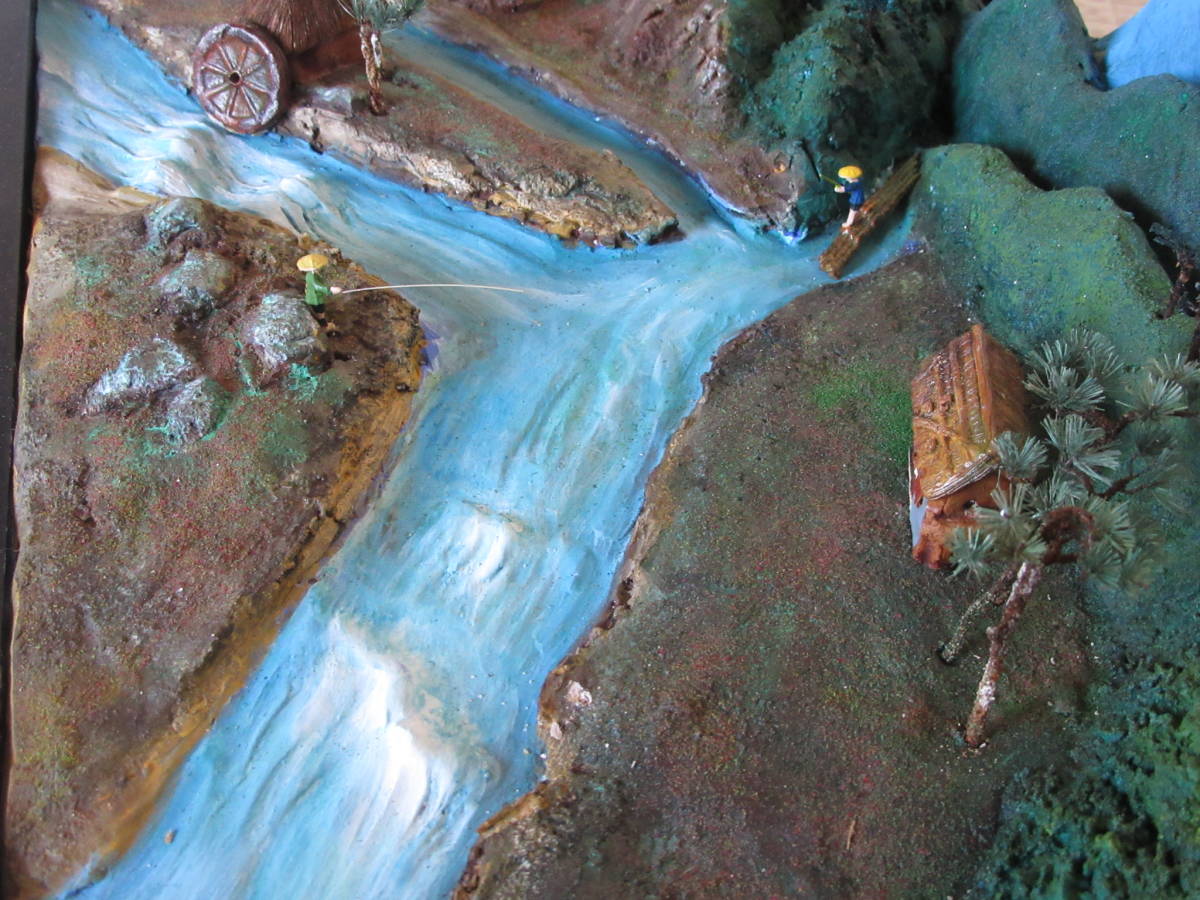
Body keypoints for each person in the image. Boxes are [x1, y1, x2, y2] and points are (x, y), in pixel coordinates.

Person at [833, 165, 865, 232]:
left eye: (847, 178)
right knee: (856, 209)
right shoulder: (859, 181)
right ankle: (859, 216)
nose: (846, 179)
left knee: (852, 211)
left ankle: (849, 223)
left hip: (856, 200)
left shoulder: (854, 184)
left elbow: (845, 189)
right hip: (860, 198)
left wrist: (837, 189)